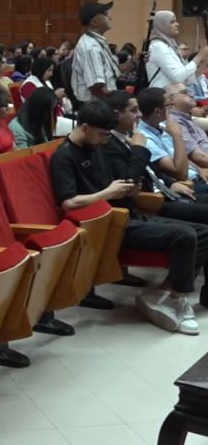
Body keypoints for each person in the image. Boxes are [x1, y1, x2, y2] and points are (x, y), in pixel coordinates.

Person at [50, 100, 207, 333]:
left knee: (203, 232)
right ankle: (177, 298)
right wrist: (107, 193)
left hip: (127, 214)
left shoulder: (96, 148)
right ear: (85, 127)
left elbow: (117, 182)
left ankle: (166, 292)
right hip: (106, 224)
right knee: (183, 235)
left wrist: (128, 190)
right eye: (102, 135)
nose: (105, 140)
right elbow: (68, 203)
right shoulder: (63, 156)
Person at [136, 87, 205, 188]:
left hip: (198, 177)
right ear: (158, 111)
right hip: (187, 185)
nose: (172, 109)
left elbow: (177, 156)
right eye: (169, 105)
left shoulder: (161, 126)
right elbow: (181, 174)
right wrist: (177, 135)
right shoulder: (145, 138)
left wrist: (199, 170)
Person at [71, 1, 120, 103]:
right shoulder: (90, 47)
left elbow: (111, 71)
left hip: (103, 101)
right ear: (94, 22)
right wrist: (118, 103)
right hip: (96, 105)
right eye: (106, 14)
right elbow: (96, 86)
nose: (110, 17)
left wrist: (133, 62)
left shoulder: (97, 42)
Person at [146, 10, 208, 90]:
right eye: (172, 22)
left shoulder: (170, 46)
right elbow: (178, 77)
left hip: (175, 94)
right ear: (162, 25)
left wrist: (205, 63)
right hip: (163, 95)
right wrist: (199, 56)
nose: (177, 24)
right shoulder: (158, 46)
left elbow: (188, 79)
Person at [168, 83, 208, 169]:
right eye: (184, 92)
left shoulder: (186, 117)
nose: (192, 95)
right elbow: (199, 157)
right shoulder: (174, 121)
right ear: (171, 100)